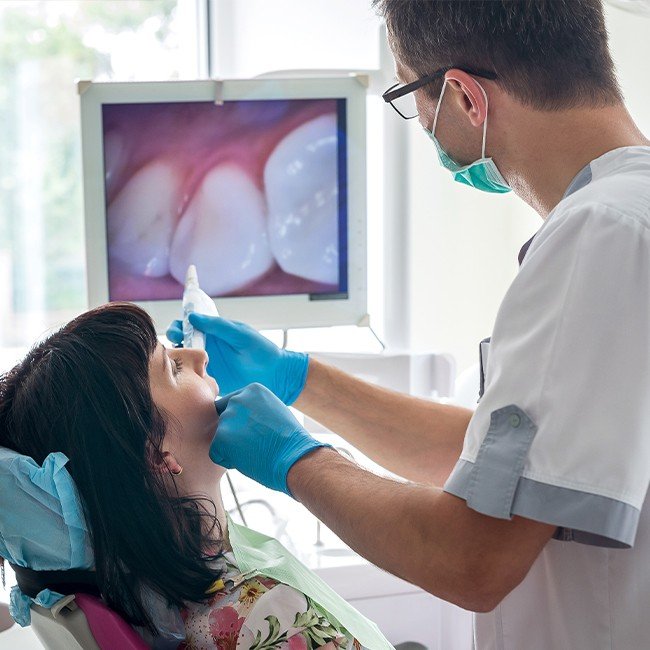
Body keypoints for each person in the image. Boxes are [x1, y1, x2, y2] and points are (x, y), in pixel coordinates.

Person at [166, 1, 650, 648]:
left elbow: (476, 558)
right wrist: (297, 380)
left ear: (464, 97)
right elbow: (498, 468)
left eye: (409, 93)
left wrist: (296, 461)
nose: (419, 120)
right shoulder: (623, 218)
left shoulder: (602, 237)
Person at [0, 303, 367, 649]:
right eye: (173, 367)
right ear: (157, 454)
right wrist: (301, 459)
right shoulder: (266, 612)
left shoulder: (156, 590)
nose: (199, 356)